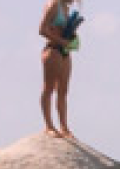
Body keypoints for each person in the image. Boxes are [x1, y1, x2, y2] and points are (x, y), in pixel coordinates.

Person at [39, 0, 79, 138]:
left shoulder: (66, 8)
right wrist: (61, 40)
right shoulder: (53, 4)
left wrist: (72, 36)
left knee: (63, 90)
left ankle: (64, 127)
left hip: (65, 52)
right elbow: (42, 29)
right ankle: (49, 126)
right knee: (48, 88)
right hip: (53, 49)